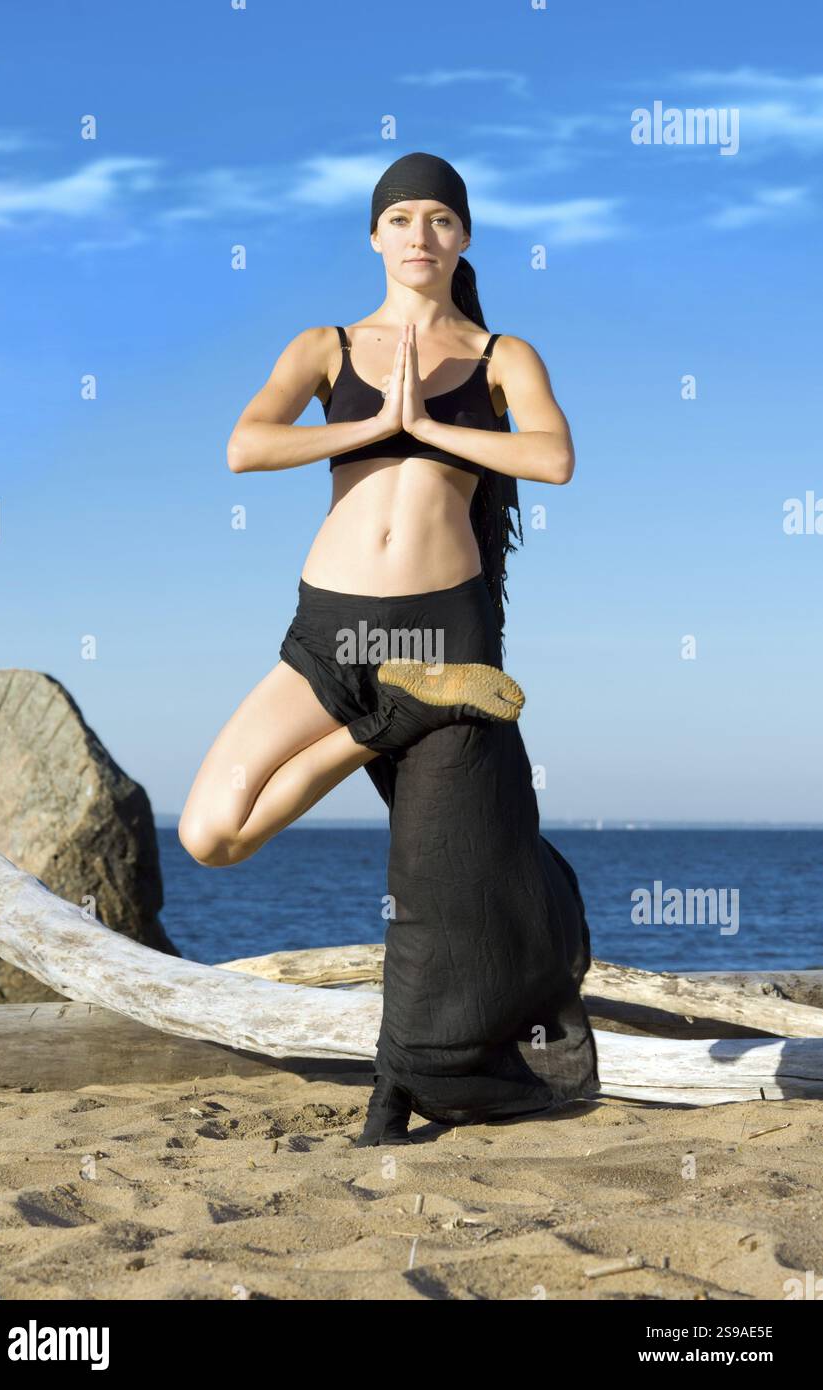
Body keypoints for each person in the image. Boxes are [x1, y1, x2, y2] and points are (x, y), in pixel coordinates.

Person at [179, 151, 601, 1145]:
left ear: (462, 237)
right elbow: (247, 442)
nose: (419, 235)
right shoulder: (326, 345)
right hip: (331, 633)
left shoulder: (502, 355)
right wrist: (376, 422)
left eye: (438, 219)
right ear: (374, 236)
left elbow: (553, 458)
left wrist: (431, 430)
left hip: (439, 628)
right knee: (211, 832)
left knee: (430, 884)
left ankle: (398, 1086)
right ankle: (395, 715)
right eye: (400, 218)